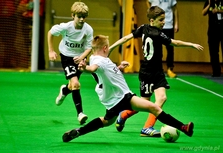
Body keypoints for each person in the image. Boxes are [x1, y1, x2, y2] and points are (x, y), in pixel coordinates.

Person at [62, 34, 194, 143]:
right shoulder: (99, 61)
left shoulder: (97, 58)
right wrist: (85, 68)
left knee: (107, 121)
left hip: (112, 101)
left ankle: (79, 132)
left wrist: (118, 68)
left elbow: (103, 73)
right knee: (154, 108)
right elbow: (94, 68)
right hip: (123, 97)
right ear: (105, 48)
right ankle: (183, 127)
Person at [108, 6, 203, 137]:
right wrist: (191, 44)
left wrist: (111, 48)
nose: (164, 22)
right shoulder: (158, 34)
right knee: (144, 103)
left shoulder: (143, 28)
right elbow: (175, 43)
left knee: (161, 98)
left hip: (158, 72)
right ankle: (123, 115)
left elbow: (125, 38)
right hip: (147, 73)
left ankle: (147, 127)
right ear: (152, 20)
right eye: (161, 20)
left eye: (164, 19)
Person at [47, 1, 93, 125]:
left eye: (84, 17)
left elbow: (89, 47)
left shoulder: (88, 29)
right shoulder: (66, 27)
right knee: (76, 84)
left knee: (73, 86)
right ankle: (80, 114)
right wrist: (51, 51)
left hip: (79, 58)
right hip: (66, 57)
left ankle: (64, 91)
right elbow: (50, 33)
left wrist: (82, 57)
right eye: (79, 17)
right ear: (73, 15)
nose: (82, 19)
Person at [146, 0, 179, 78]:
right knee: (155, 48)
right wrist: (151, 15)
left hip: (168, 24)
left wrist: (176, 23)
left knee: (170, 48)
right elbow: (148, 2)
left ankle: (170, 69)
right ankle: (155, 69)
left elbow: (175, 8)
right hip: (156, 24)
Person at [202, 0, 223, 77]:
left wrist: (219, 10)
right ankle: (216, 71)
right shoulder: (209, 1)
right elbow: (203, 13)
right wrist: (209, 5)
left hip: (222, 28)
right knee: (213, 52)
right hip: (212, 30)